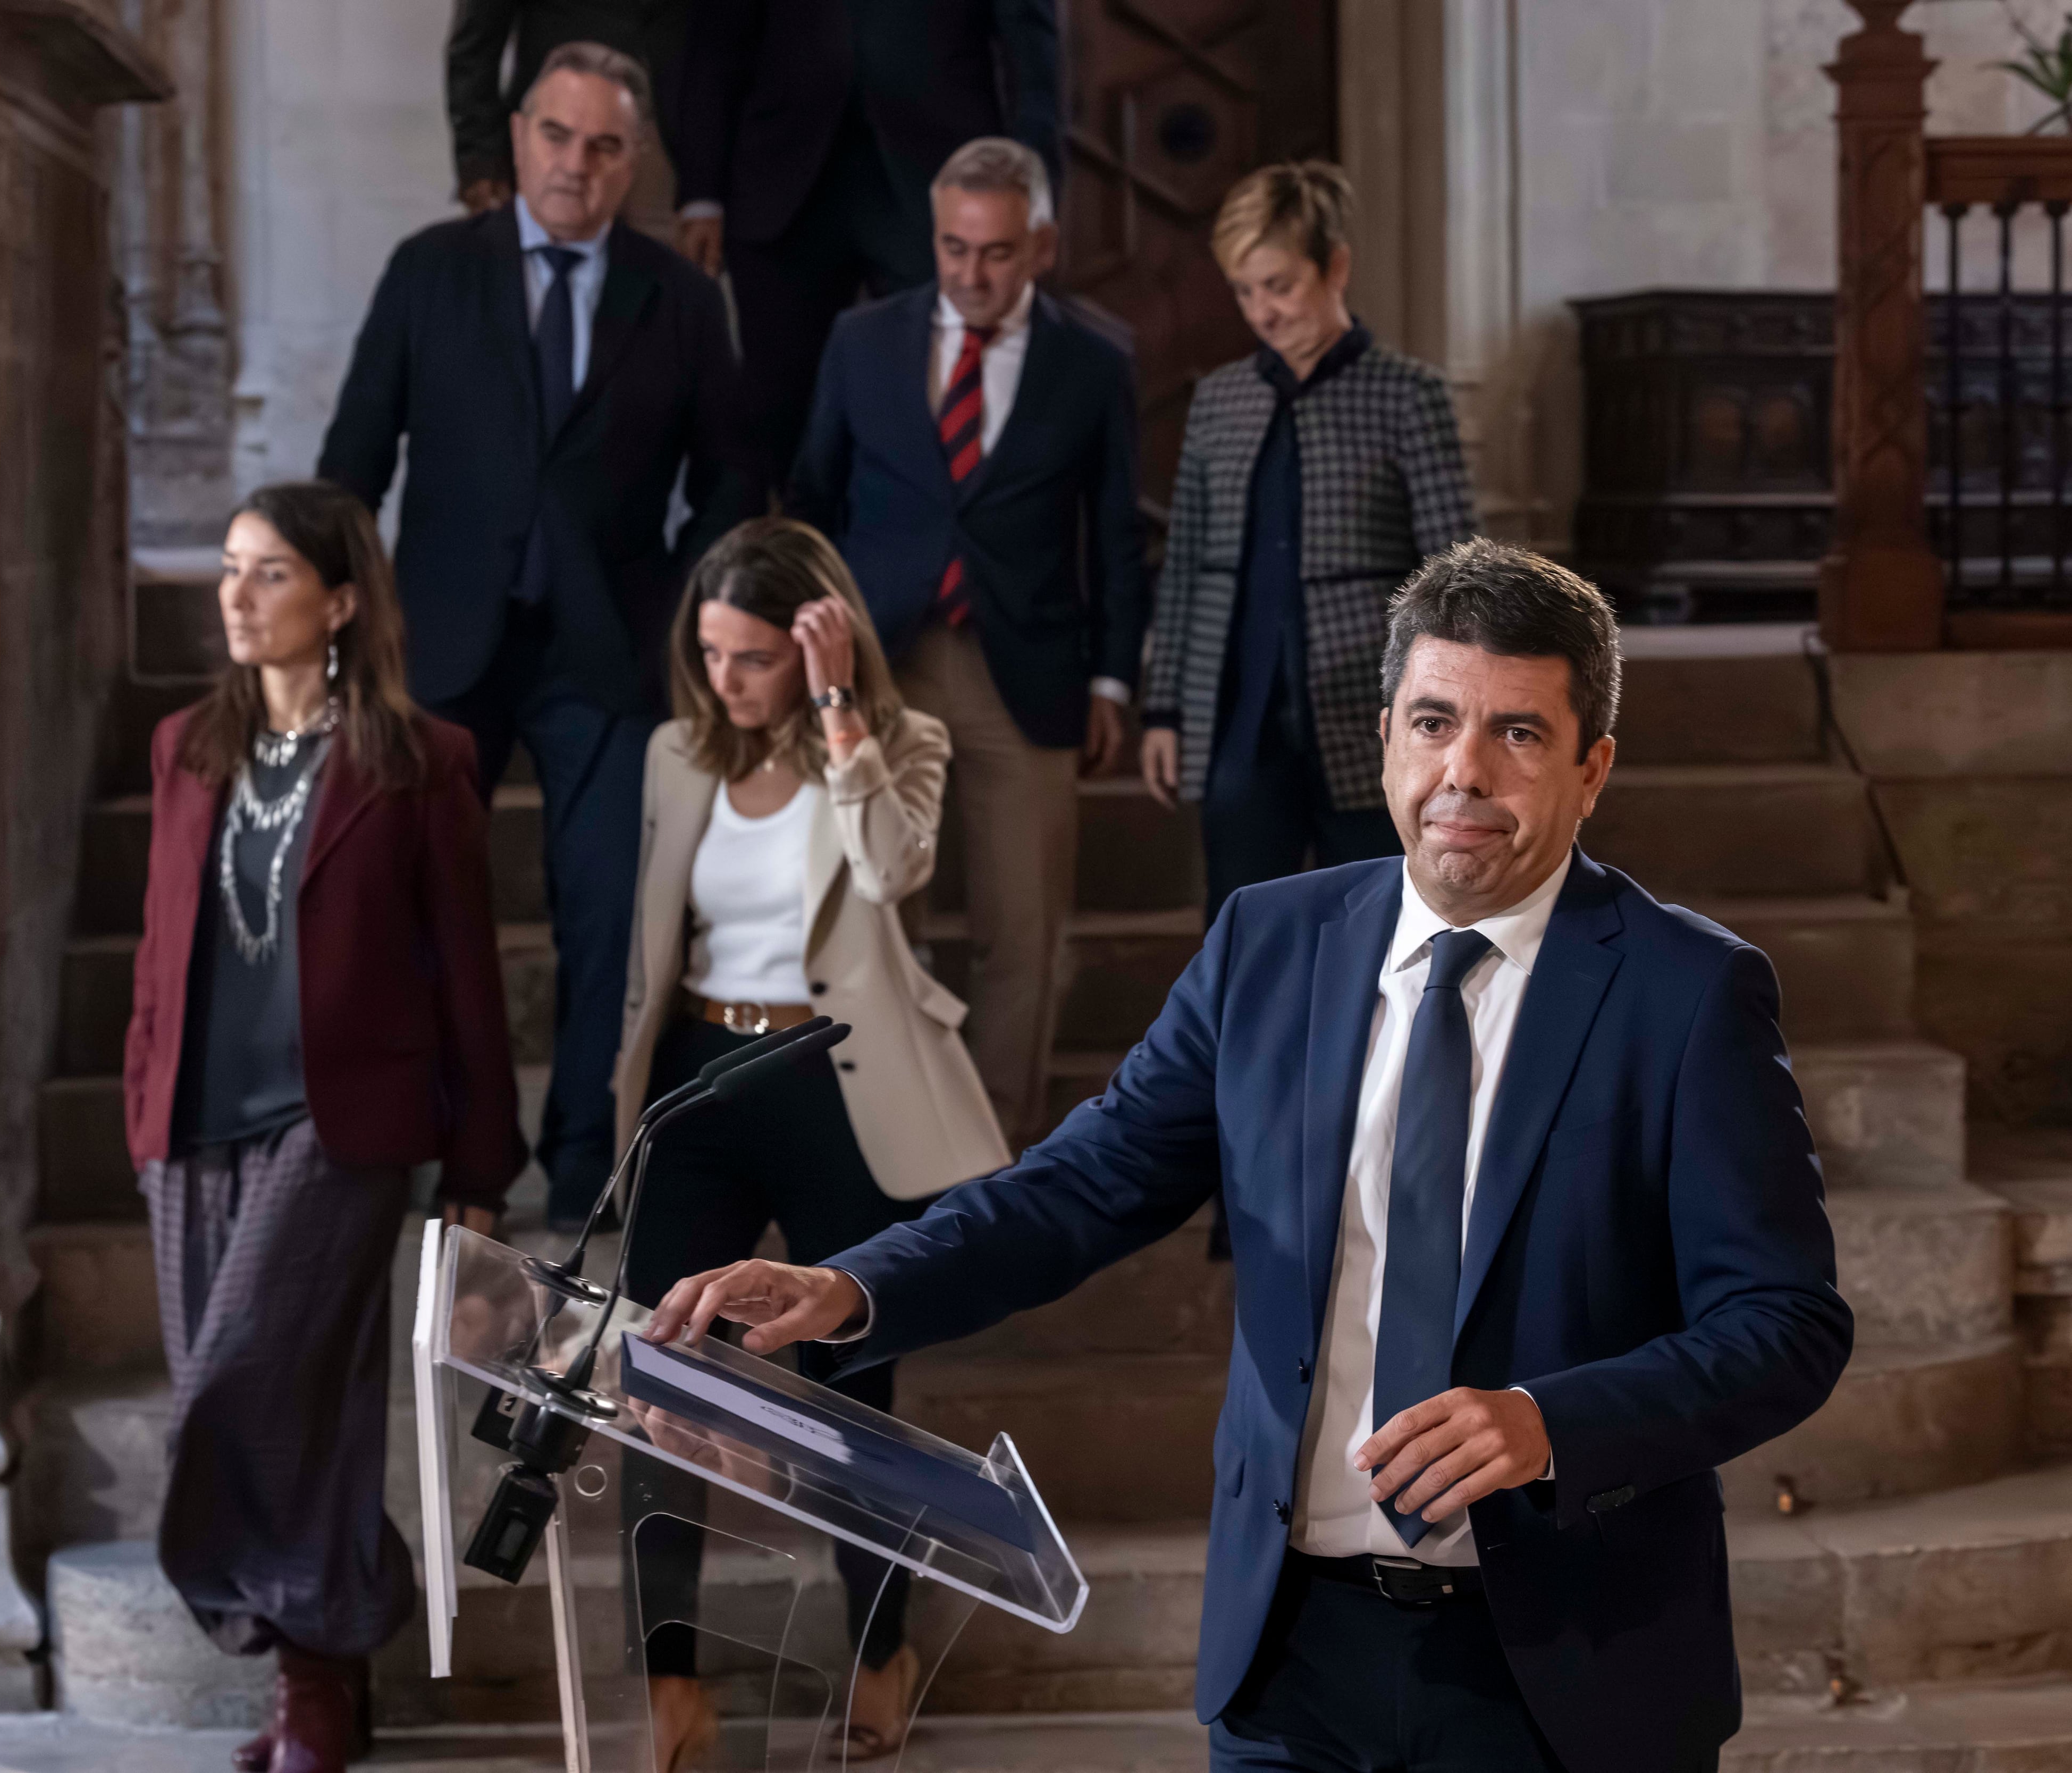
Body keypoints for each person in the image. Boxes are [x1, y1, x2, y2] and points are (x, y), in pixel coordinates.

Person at [645, 540, 1856, 1773]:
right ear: (1385, 733)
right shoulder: (1269, 946)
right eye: (1433, 721)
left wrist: (1551, 1422)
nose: (1463, 771)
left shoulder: (1686, 991)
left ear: (1592, 766)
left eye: (1519, 735)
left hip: (1566, 1663)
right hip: (1289, 1666)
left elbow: (1784, 1324)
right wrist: (849, 1287)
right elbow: (1082, 1184)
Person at [122, 482, 526, 1773]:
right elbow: (158, 944)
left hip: (339, 1126)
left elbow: (470, 971)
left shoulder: (420, 762)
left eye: (270, 574)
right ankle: (324, 1685)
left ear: (340, 600)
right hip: (190, 1122)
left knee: (238, 1388)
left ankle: (319, 1648)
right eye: (231, 570)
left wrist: (479, 1165)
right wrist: (141, 1091)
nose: (235, 596)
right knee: (297, 1400)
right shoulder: (187, 745)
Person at [320, 40, 757, 1232]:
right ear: (516, 141)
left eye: (605, 145)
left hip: (610, 648)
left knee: (610, 912)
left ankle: (582, 1167)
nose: (577, 165)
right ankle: (464, 1165)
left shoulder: (677, 295)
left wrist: (678, 608)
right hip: (438, 636)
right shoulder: (429, 271)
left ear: (634, 162)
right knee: (422, 910)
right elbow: (353, 461)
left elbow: (729, 477)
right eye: (557, 137)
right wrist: (341, 632)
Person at [612, 517, 1008, 1770]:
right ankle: (671, 1684)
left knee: (852, 1386)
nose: (726, 679)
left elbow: (894, 872)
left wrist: (840, 713)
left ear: (814, 645)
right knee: (657, 1373)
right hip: (698, 1080)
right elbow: (646, 943)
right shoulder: (676, 755)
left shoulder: (904, 744)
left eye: (756, 658)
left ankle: (880, 1649)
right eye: (713, 652)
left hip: (836, 1080)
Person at [788, 136, 1144, 1144]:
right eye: (954, 249)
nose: (972, 273)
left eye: (995, 252)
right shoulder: (863, 341)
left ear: (1040, 244)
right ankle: (889, 1140)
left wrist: (1114, 683)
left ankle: (993, 1160)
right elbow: (812, 497)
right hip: (879, 669)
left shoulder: (1095, 357)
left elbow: (1115, 534)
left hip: (1024, 672)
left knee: (1020, 932)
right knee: (876, 917)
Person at [1142, 162, 1479, 927]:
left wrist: (1447, 713)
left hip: (1370, 712)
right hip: (1241, 714)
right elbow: (1188, 559)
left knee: (1382, 926)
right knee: (1240, 928)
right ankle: (1250, 1054)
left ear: (1336, 267)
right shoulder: (1220, 399)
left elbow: (1455, 571)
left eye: (1281, 285)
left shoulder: (1406, 393)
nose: (1263, 310)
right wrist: (1163, 709)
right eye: (1245, 290)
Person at [674, 0, 1062, 489]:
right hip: (783, 182)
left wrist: (1035, 199)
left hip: (941, 178)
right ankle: (797, 563)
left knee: (945, 418)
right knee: (779, 431)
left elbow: (1032, 48)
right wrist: (701, 193)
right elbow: (716, 41)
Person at [446, 0, 689, 243]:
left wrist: (704, 191)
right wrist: (480, 157)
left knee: (657, 267)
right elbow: (475, 45)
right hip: (556, 118)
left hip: (666, 139)